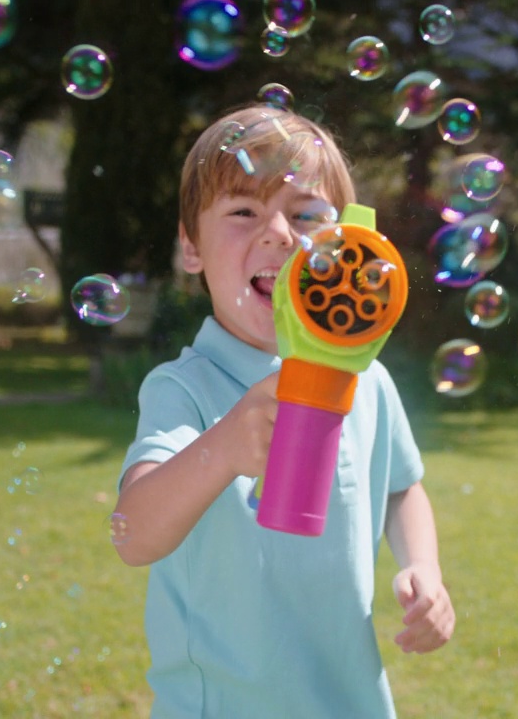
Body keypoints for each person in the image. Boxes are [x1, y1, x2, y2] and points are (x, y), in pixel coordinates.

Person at [114, 105, 456, 719]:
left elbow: (401, 491)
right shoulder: (184, 388)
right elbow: (134, 535)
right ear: (190, 247)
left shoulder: (367, 380)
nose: (278, 233)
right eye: (244, 212)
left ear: (346, 243)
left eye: (305, 215)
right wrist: (223, 447)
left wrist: (423, 568)